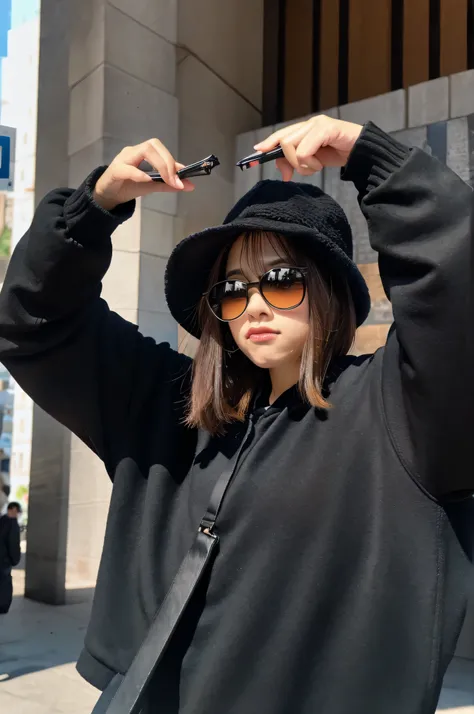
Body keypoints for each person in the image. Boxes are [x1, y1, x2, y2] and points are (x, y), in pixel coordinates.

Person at [0, 115, 471, 713]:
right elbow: (32, 325)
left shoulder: (400, 411)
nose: (253, 305)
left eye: (279, 280)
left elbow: (457, 287)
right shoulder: (171, 404)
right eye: (231, 289)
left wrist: (369, 157)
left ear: (326, 288)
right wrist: (95, 207)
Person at [0, 501, 21, 613]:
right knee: (4, 584)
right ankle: (2, 606)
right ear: (13, 510)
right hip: (4, 561)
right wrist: (15, 560)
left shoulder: (1, 520)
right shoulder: (12, 524)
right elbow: (13, 544)